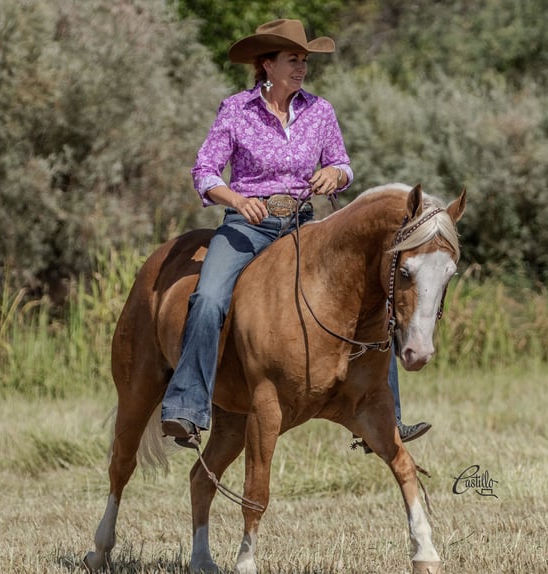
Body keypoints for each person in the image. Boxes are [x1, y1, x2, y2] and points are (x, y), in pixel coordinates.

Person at [161, 18, 430, 448]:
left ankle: (388, 418)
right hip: (246, 226)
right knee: (210, 297)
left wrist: (333, 174)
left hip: (304, 227)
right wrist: (235, 200)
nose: (302, 68)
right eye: (293, 59)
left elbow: (344, 164)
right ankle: (186, 407)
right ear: (266, 64)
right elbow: (204, 172)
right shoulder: (235, 111)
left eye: (305, 60)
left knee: (372, 301)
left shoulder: (320, 111)